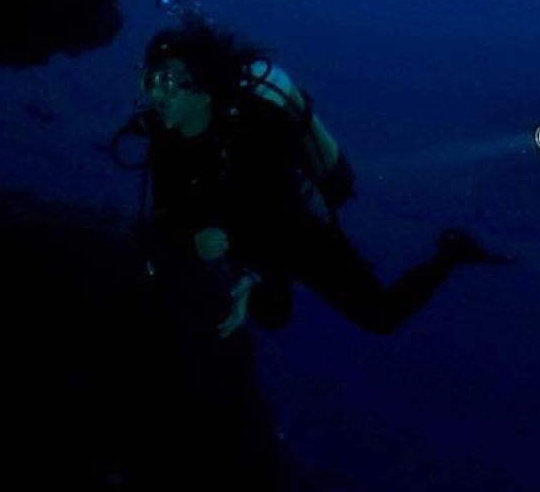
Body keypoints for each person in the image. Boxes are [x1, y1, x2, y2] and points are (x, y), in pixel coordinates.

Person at [126, 17, 507, 336]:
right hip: (241, 230)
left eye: (168, 83)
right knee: (272, 317)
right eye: (149, 81)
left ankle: (451, 253)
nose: (155, 95)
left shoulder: (259, 124)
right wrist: (195, 243)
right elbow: (164, 218)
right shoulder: (166, 138)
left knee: (380, 317)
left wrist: (253, 274)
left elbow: (278, 214)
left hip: (297, 223)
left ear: (205, 88)